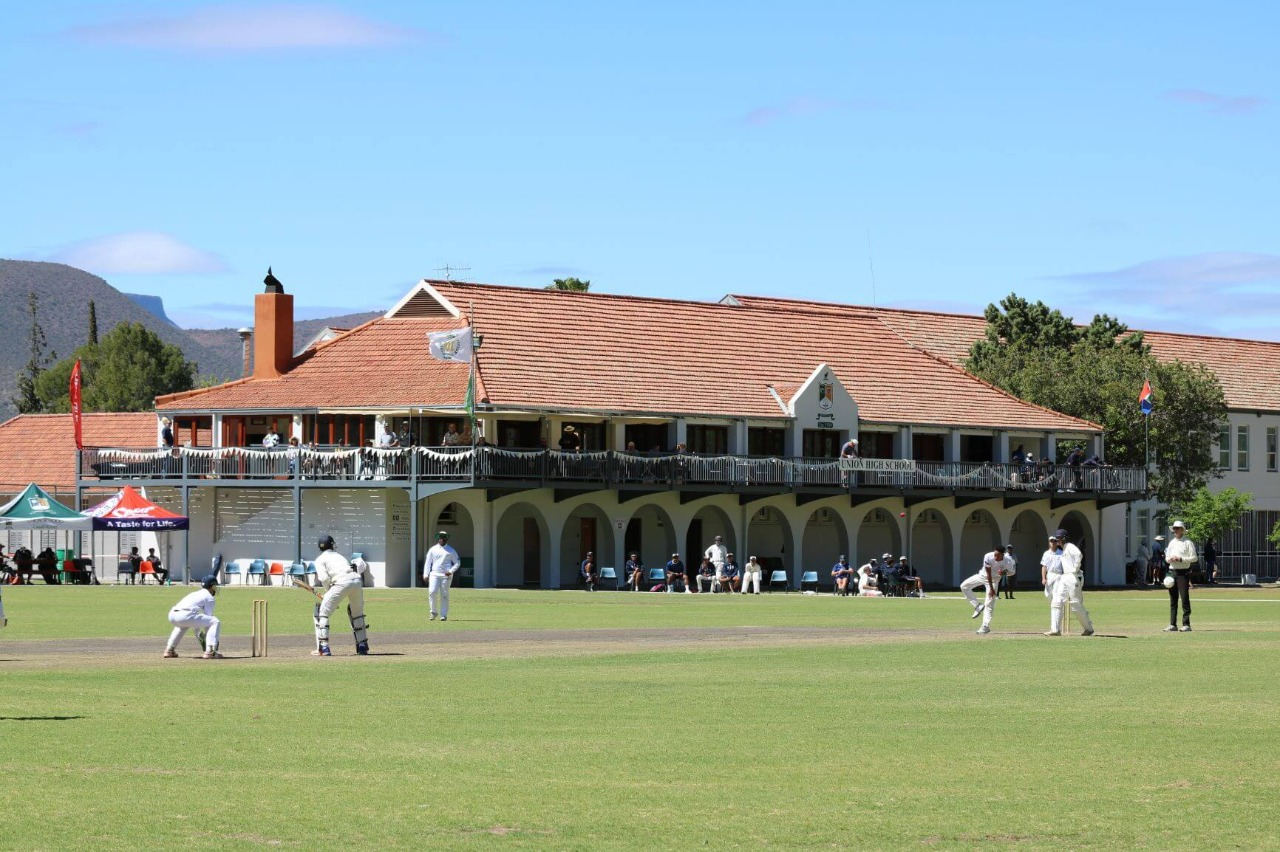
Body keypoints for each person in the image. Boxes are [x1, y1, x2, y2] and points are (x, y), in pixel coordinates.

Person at [312, 534, 370, 656]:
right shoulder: (339, 556)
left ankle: (324, 648)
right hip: (356, 581)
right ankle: (362, 646)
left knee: (322, 613)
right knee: (357, 614)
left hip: (341, 583)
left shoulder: (319, 559)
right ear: (332, 545)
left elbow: (323, 578)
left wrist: (328, 592)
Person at [1046, 531, 1094, 636]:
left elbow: (1079, 555)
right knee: (1056, 601)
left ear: (1064, 538)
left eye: (1058, 538)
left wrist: (1075, 568)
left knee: (1075, 605)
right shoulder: (1063, 549)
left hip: (1073, 577)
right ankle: (1055, 630)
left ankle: (1088, 628)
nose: (1057, 540)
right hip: (1065, 577)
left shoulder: (1070, 546)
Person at [163, 575, 222, 659]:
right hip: (186, 615)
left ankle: (169, 650)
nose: (215, 588)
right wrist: (209, 640)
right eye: (215, 586)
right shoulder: (209, 597)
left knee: (182, 625)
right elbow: (209, 621)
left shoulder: (194, 593)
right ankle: (210, 651)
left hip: (172, 615)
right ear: (211, 586)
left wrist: (199, 632)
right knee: (215, 621)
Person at [960, 545, 1006, 634]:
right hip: (982, 576)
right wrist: (991, 589)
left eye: (998, 555)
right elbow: (988, 573)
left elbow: (1012, 572)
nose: (995, 557)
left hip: (994, 580)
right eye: (994, 554)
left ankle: (985, 626)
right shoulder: (988, 556)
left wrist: (1004, 572)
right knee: (964, 586)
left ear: (1002, 554)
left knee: (989, 604)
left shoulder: (1008, 560)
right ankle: (977, 605)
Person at [1164, 520, 1197, 632]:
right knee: (1173, 599)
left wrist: (1181, 559)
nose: (1175, 530)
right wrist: (1170, 559)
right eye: (1174, 528)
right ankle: (1172, 624)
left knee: (1184, 598)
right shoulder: (1171, 542)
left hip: (1183, 573)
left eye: (1177, 528)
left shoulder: (1188, 542)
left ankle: (1186, 624)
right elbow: (1167, 557)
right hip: (1172, 572)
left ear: (1182, 530)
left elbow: (1194, 558)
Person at [422, 530, 460, 621]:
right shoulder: (433, 549)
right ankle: (433, 612)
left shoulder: (451, 550)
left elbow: (457, 563)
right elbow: (428, 563)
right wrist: (425, 574)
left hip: (446, 575)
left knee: (444, 595)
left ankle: (443, 614)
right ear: (438, 539)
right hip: (434, 574)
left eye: (444, 538)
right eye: (440, 538)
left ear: (446, 539)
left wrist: (450, 571)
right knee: (432, 592)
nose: (442, 539)